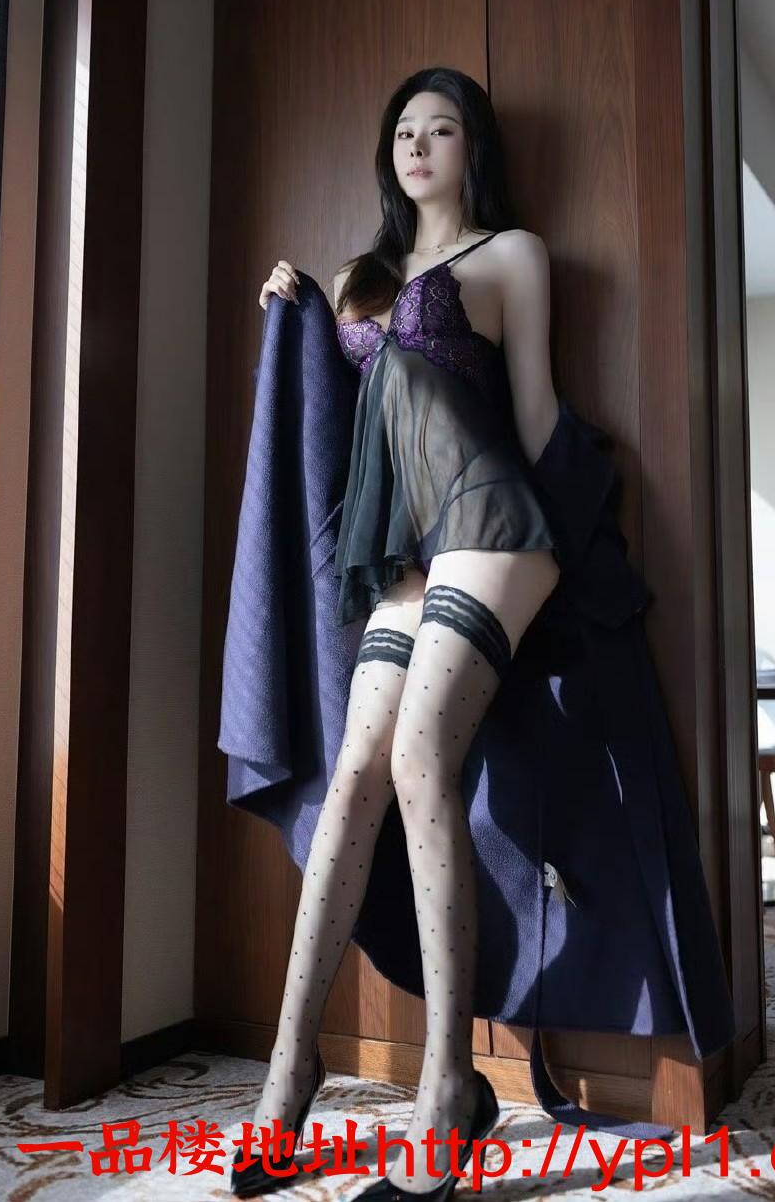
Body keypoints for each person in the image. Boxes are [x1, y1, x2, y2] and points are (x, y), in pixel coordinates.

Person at [233, 66, 573, 1200]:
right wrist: (295, 316)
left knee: (423, 756)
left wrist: (590, 552)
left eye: (442, 128)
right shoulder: (361, 278)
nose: (419, 144)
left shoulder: (513, 255)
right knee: (354, 779)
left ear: (473, 148)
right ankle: (289, 1072)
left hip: (495, 522)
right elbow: (338, 419)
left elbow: (534, 416)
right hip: (407, 555)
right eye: (404, 131)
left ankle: (446, 1086)